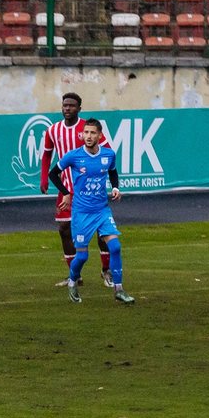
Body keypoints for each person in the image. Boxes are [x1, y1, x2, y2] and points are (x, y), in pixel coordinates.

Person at [49, 119, 134, 305]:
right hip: (81, 213)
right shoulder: (74, 156)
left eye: (92, 133)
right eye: (86, 132)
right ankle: (73, 281)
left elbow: (113, 172)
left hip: (102, 211)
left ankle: (119, 290)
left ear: (100, 135)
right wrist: (65, 193)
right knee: (82, 256)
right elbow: (52, 174)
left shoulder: (109, 154)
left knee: (115, 247)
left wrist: (116, 187)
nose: (88, 136)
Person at [39, 92, 113, 289]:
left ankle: (106, 270)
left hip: (90, 190)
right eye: (65, 105)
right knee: (64, 229)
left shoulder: (87, 129)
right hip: (66, 189)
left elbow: (107, 151)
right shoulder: (53, 130)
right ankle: (75, 276)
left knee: (101, 229)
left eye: (71, 105)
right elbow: (47, 155)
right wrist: (44, 178)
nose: (67, 108)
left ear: (79, 108)